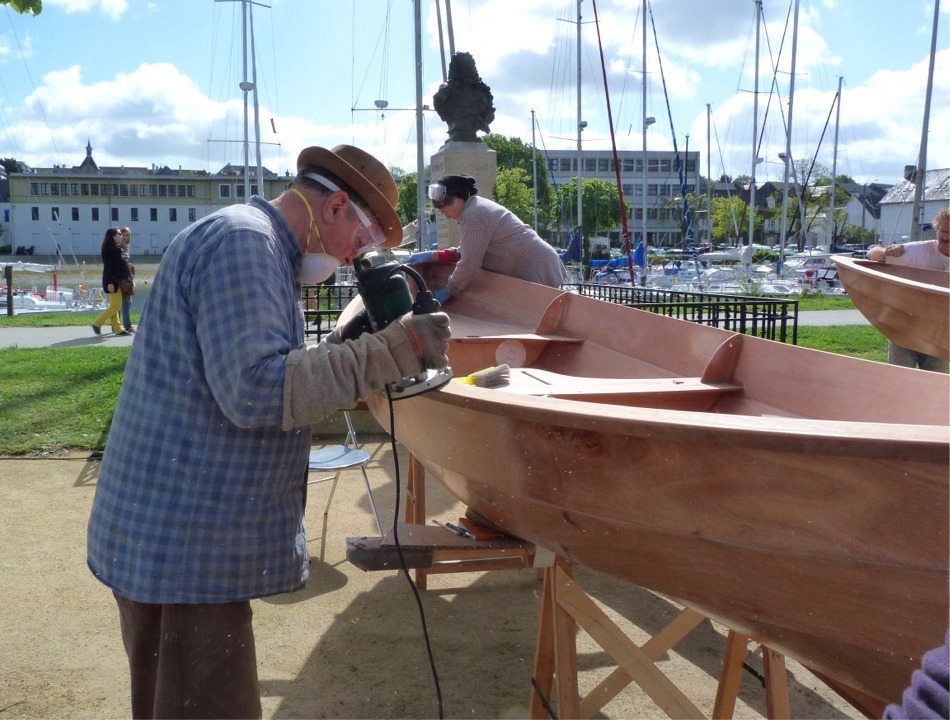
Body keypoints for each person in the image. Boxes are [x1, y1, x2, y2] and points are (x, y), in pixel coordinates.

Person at [86, 143, 451, 719]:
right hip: (182, 552)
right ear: (333, 208)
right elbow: (257, 390)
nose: (361, 257)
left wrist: (344, 348)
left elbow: (259, 371)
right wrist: (395, 349)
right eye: (363, 240)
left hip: (176, 541)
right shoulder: (244, 245)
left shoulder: (255, 245)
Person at [427, 173, 566, 303]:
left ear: (457, 201)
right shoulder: (474, 206)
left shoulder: (472, 215)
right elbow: (467, 251)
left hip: (537, 268)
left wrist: (448, 290)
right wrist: (436, 255)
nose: (446, 216)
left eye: (444, 211)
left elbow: (470, 263)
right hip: (540, 263)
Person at [866, 207, 950, 372]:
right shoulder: (917, 251)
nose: (946, 236)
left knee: (933, 384)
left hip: (939, 333)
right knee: (899, 381)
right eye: (943, 231)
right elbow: (871, 254)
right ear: (937, 229)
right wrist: (885, 251)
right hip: (903, 328)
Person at [90, 227, 134, 336]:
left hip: (119, 281)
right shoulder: (110, 249)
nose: (121, 236)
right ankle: (97, 323)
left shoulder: (117, 248)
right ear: (112, 236)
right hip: (112, 282)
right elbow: (109, 268)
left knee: (114, 305)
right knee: (116, 306)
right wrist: (110, 283)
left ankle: (118, 329)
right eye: (118, 234)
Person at [118, 227, 136, 334]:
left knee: (125, 302)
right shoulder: (118, 247)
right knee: (125, 302)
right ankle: (127, 326)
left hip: (126, 277)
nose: (125, 237)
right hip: (121, 279)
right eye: (123, 235)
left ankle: (117, 325)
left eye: (127, 235)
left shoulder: (126, 248)